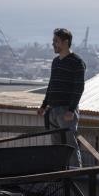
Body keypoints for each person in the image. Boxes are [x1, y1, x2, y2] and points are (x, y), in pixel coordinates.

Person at [37, 28, 85, 166]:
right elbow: (52, 85)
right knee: (56, 146)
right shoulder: (56, 62)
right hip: (53, 110)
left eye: (56, 41)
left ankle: (77, 174)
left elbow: (79, 88)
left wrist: (71, 110)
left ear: (66, 42)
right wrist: (44, 106)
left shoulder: (77, 62)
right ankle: (59, 174)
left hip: (66, 111)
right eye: (53, 41)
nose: (53, 44)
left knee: (70, 144)